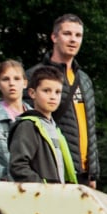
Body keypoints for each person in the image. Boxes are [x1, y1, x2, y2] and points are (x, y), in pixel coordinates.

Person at [46, 12, 101, 188]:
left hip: (84, 174)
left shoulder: (84, 79)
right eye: (67, 34)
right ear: (54, 37)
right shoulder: (38, 76)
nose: (73, 40)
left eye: (78, 35)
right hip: (54, 171)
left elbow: (90, 126)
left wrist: (93, 172)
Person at [7, 65, 77, 185]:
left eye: (57, 92)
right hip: (40, 197)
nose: (53, 97)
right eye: (46, 91)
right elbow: (18, 166)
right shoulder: (28, 126)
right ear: (32, 93)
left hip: (58, 195)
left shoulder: (54, 129)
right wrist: (42, 187)